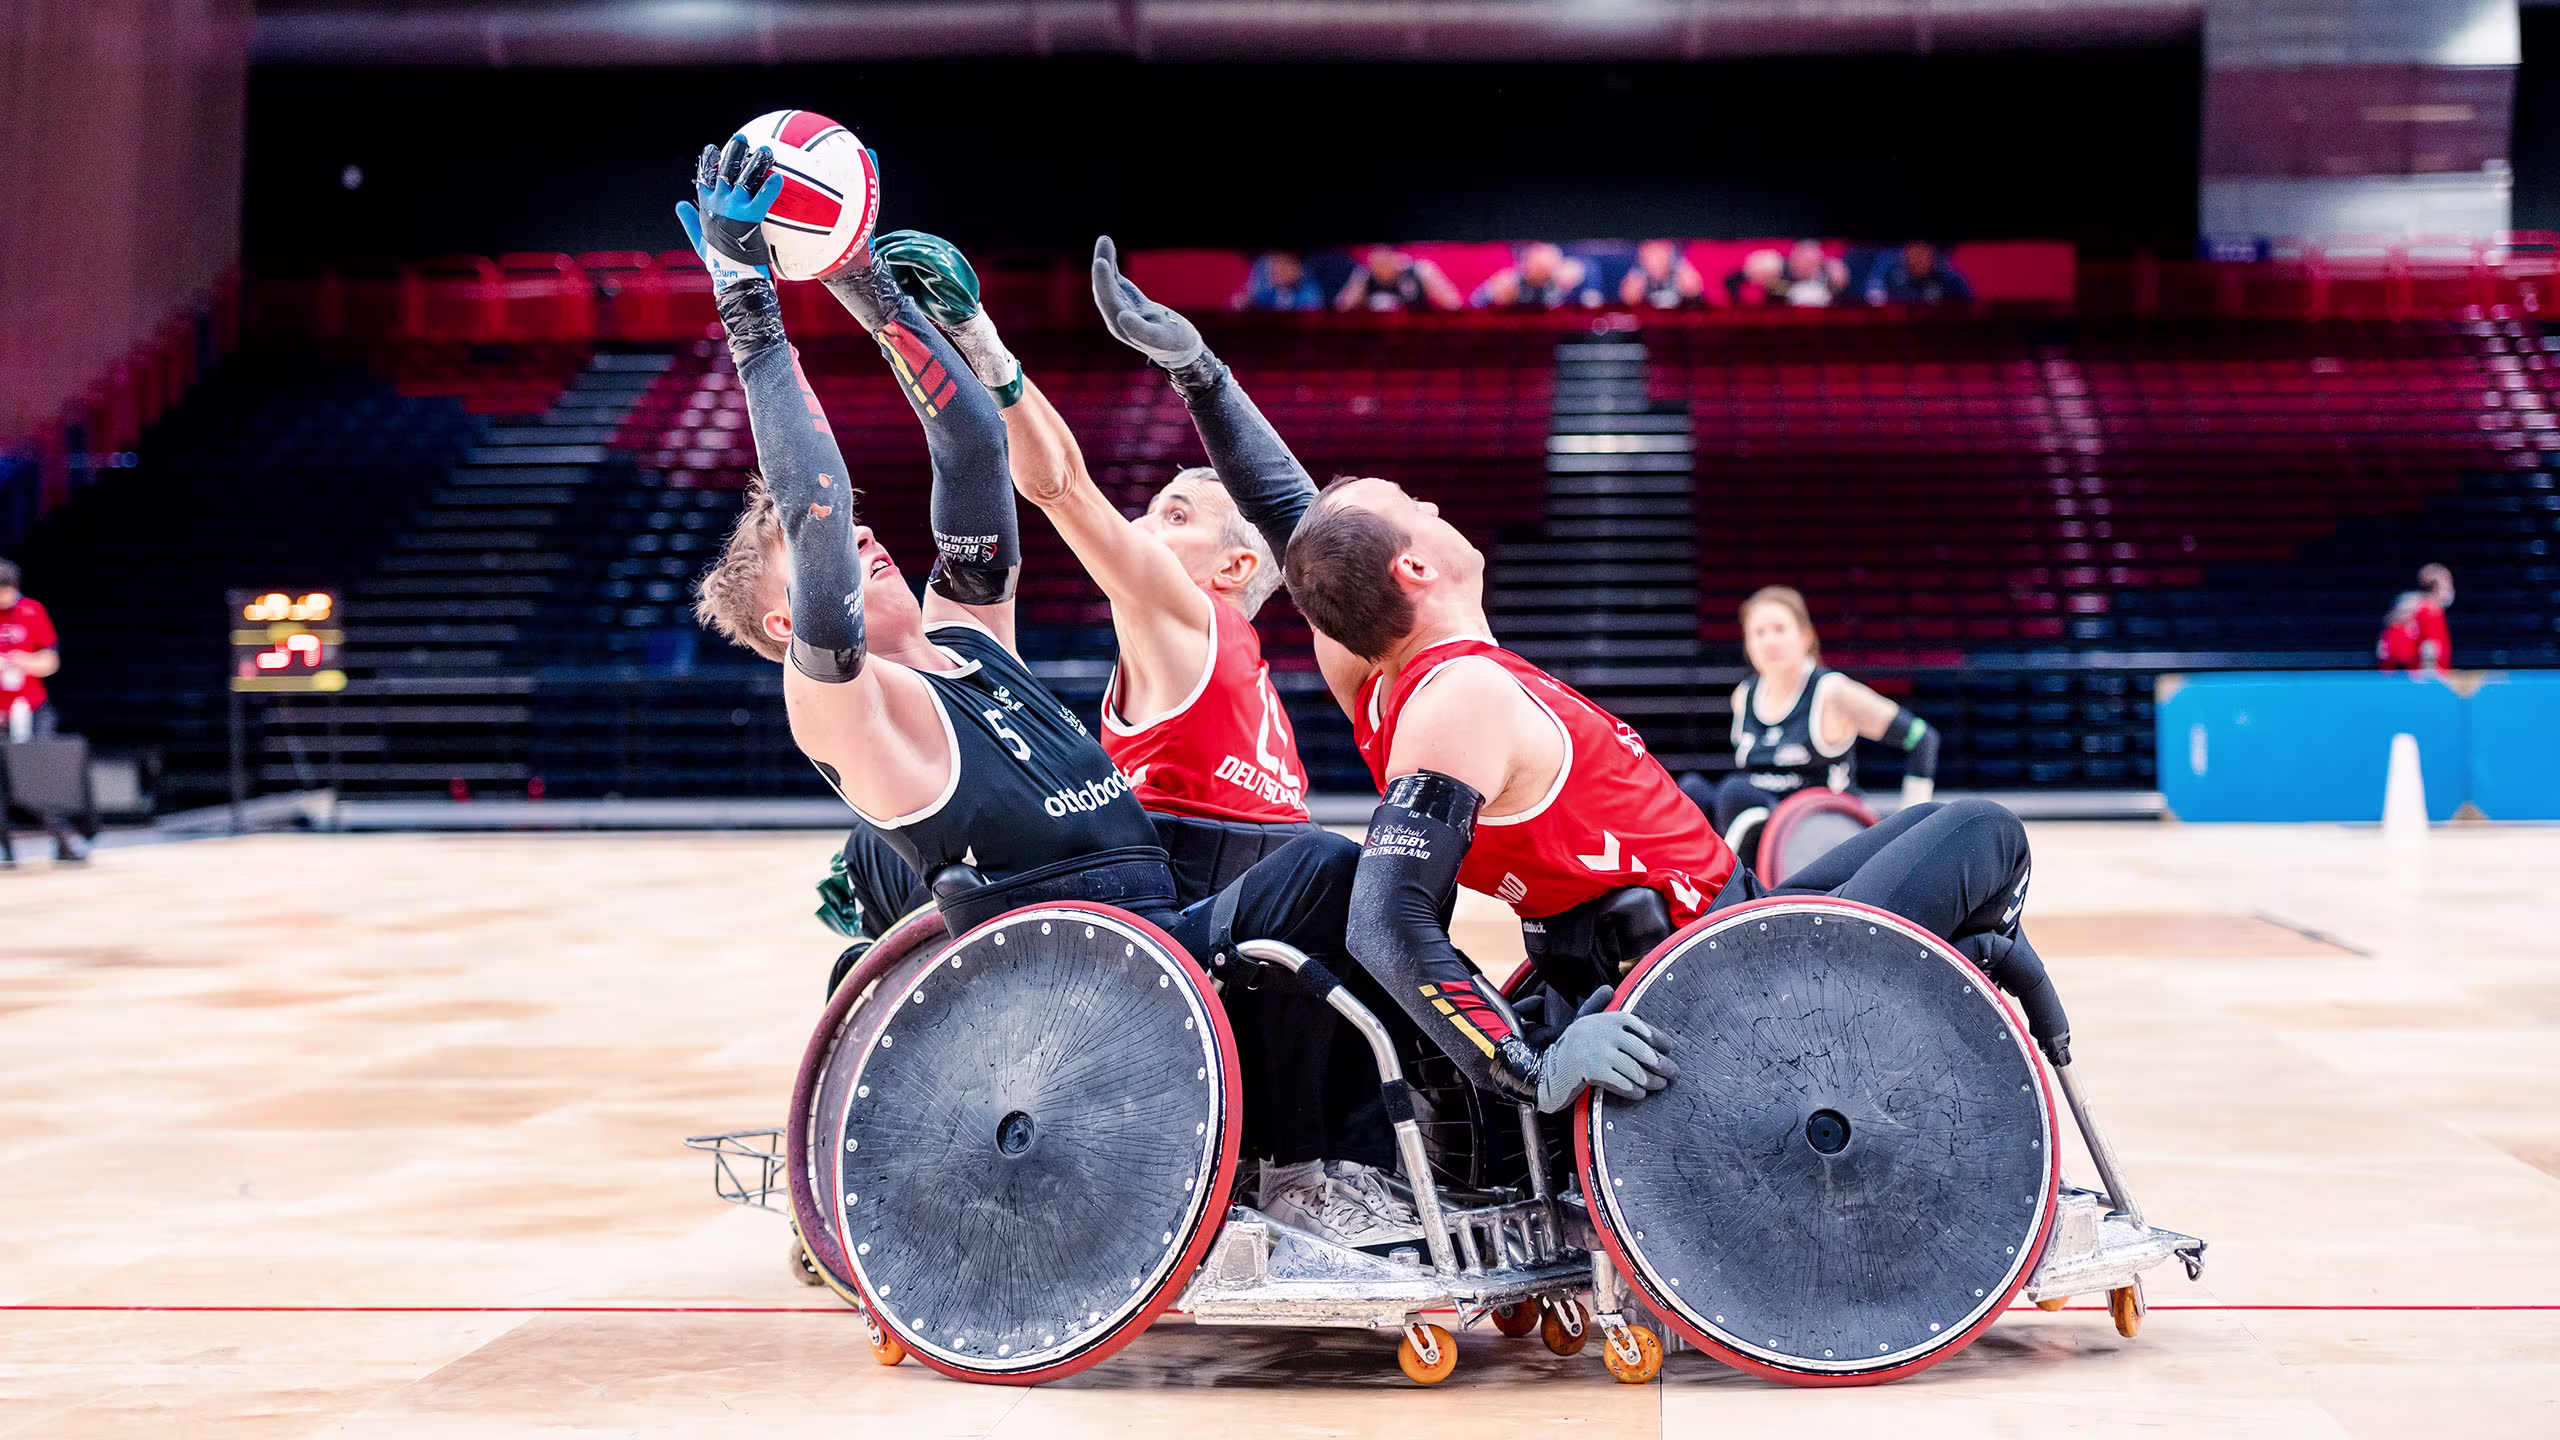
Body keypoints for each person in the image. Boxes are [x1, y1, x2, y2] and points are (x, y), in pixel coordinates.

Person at [678, 139, 1418, 1247]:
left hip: (1156, 935)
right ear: (790, 621)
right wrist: (749, 304)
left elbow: (972, 446)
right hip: (1069, 987)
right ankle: (1294, 1174)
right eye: (815, 554)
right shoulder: (845, 699)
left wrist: (860, 280)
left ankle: (1393, 1144)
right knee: (1316, 866)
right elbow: (819, 498)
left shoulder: (970, 638)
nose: (863, 534)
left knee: (1335, 861)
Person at [1279, 476, 2074, 1114]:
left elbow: (1305, 529)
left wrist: (1201, 377)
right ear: (1412, 569)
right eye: (1413, 507)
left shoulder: (1383, 682)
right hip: (1734, 980)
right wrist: (1527, 1067)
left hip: (1726, 918)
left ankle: (1974, 963)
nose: (1434, 504)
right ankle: (1954, 998)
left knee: (1935, 825)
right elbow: (1384, 921)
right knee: (1986, 830)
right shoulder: (1459, 697)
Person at [1679, 586, 1940, 866]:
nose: (1769, 641)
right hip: (1761, 820)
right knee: (1690, 789)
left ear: (1805, 636)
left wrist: (1913, 826)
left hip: (1823, 827)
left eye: (1779, 629)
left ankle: (1739, 891)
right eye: (1759, 632)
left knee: (1735, 792)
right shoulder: (1744, 695)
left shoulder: (1832, 692)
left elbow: (1922, 737)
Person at [0, 557, 86, 864]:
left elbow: (51, 661)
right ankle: (5, 847)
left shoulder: (31, 611)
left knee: (40, 775)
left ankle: (64, 839)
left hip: (32, 709)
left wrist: (22, 661)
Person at [1470, 242, 1599, 310]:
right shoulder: (1513, 282)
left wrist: (1582, 278)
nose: (1542, 260)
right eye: (1536, 251)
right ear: (1524, 260)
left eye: (1545, 250)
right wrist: (1495, 296)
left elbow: (1593, 304)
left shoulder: (1570, 277)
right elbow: (1475, 302)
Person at [1334, 245, 1461, 313]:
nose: (1378, 261)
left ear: (1395, 256)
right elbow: (1340, 310)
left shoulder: (1421, 271)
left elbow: (1454, 304)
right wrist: (1361, 280)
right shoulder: (1364, 276)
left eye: (1384, 256)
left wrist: (1424, 277)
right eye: (1374, 255)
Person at [2377, 563, 2455, 672]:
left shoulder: (2427, 609)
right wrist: (2429, 679)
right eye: (2447, 583)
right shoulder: (2430, 612)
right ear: (2435, 587)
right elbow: (2428, 649)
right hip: (2428, 679)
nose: (2451, 588)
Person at [1863, 240, 1973, 307]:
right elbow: (1873, 298)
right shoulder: (1887, 269)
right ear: (1905, 252)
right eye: (1915, 249)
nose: (1920, 256)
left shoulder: (1950, 279)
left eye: (1925, 249)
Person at [1619, 239, 1705, 310]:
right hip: (1647, 326)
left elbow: (1695, 299)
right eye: (1651, 252)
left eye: (1661, 252)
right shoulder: (1636, 278)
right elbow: (1628, 302)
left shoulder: (1683, 273)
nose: (1656, 258)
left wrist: (1691, 292)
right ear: (1642, 256)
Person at [1237, 251, 1324, 311]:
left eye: (1284, 264)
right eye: (1275, 263)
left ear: (1298, 268)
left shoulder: (1309, 294)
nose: (1276, 269)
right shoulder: (1268, 294)